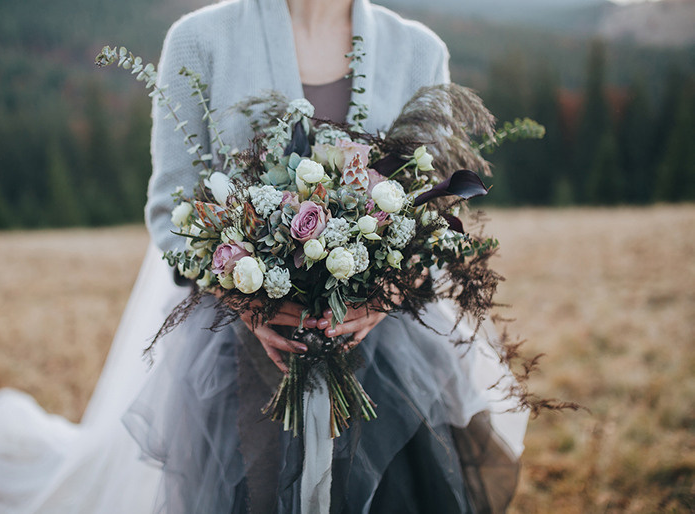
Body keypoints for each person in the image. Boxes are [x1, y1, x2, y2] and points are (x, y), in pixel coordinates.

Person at [124, 0, 529, 512]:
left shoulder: (419, 50)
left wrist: (386, 294)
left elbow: (434, 213)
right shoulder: (198, 40)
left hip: (385, 358)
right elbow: (171, 212)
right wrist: (246, 299)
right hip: (240, 357)